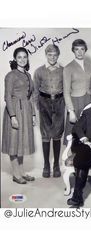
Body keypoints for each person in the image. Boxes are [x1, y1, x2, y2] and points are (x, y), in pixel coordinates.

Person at [2, 47, 35, 184]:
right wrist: (12, 116)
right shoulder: (11, 75)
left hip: (26, 111)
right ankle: (16, 174)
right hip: (15, 110)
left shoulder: (28, 74)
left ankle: (21, 172)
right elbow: (7, 97)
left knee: (22, 142)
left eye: (25, 57)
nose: (22, 59)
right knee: (14, 142)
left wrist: (33, 114)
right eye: (19, 57)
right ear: (15, 59)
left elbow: (31, 96)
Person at [34, 44, 65, 178]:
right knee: (45, 134)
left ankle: (56, 165)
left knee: (57, 132)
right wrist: (37, 106)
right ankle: (46, 165)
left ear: (58, 55)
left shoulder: (63, 70)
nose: (52, 57)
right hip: (44, 102)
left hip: (59, 101)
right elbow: (35, 91)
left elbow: (66, 88)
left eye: (55, 55)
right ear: (46, 55)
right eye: (50, 55)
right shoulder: (39, 71)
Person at [63, 39, 91, 144]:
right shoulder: (68, 68)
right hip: (75, 102)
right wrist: (71, 111)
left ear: (85, 50)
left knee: (90, 131)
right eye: (77, 49)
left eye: (82, 49)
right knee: (74, 133)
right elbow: (66, 92)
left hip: (90, 101)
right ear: (73, 50)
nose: (80, 52)